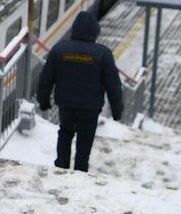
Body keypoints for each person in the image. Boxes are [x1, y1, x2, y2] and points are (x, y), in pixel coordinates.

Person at [36, 11, 124, 172]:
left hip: (66, 104)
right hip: (90, 107)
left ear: (74, 29)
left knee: (65, 133)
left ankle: (61, 167)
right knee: (85, 139)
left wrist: (43, 101)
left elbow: (46, 78)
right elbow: (114, 86)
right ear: (95, 32)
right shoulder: (103, 54)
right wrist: (117, 110)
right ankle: (80, 171)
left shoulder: (59, 49)